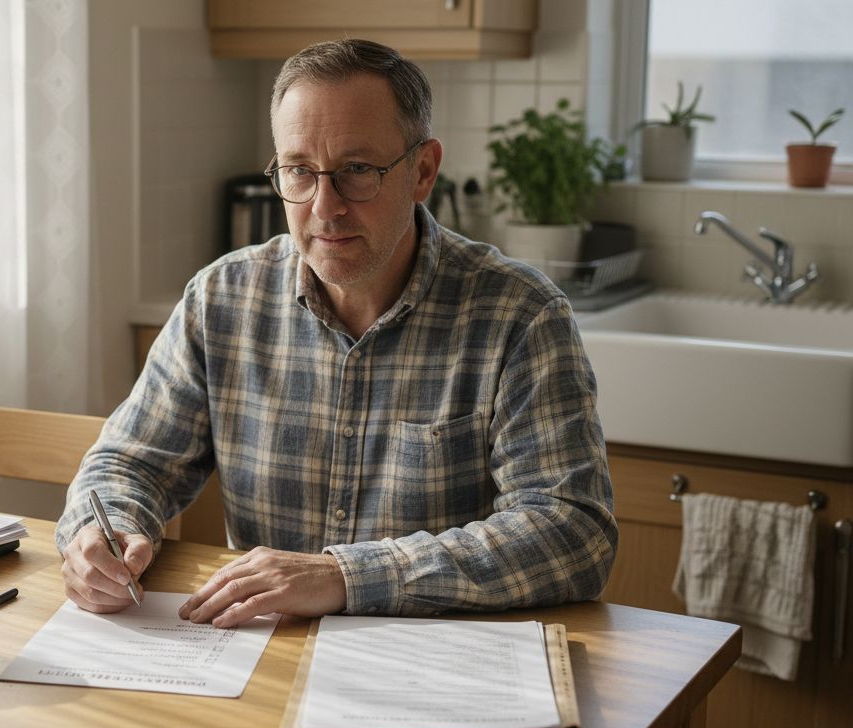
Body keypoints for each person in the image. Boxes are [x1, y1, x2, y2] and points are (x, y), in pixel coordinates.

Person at [56, 39, 616, 628]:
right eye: (299, 171)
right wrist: (105, 531)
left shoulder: (520, 315)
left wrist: (345, 576)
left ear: (423, 171)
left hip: (431, 661)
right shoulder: (221, 299)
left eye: (357, 171)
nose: (325, 207)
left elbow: (572, 532)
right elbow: (131, 463)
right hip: (259, 653)